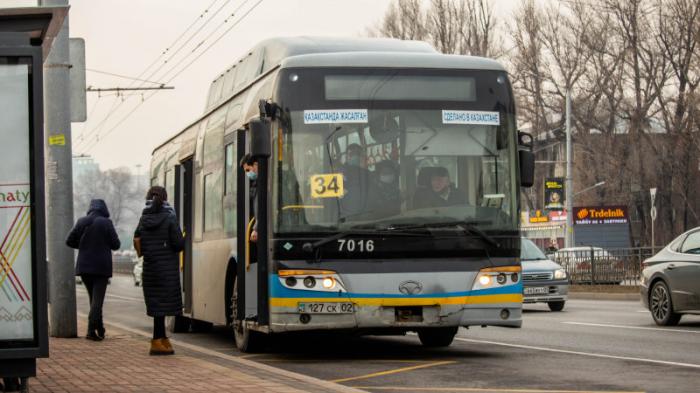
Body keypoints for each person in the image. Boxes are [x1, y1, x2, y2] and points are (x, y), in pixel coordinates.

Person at [133, 186, 185, 356]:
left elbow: (137, 238)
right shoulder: (170, 217)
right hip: (167, 269)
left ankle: (161, 338)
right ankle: (157, 342)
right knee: (163, 305)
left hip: (150, 268)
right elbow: (178, 244)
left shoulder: (143, 218)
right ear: (164, 198)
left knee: (157, 306)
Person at [66, 199, 121, 341]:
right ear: (104, 209)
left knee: (94, 299)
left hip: (84, 267)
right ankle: (91, 331)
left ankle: (100, 329)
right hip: (101, 267)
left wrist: (84, 246)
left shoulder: (82, 221)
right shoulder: (106, 223)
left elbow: (69, 241)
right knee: (97, 301)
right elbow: (116, 245)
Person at [339, 143, 372, 217]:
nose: (355, 156)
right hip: (346, 215)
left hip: (367, 215)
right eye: (352, 154)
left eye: (358, 153)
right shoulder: (340, 173)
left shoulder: (367, 173)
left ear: (362, 156)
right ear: (346, 157)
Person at [240, 154, 259, 243]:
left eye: (248, 170)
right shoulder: (255, 185)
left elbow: (263, 209)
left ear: (255, 165)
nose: (247, 174)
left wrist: (255, 229)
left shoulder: (263, 184)